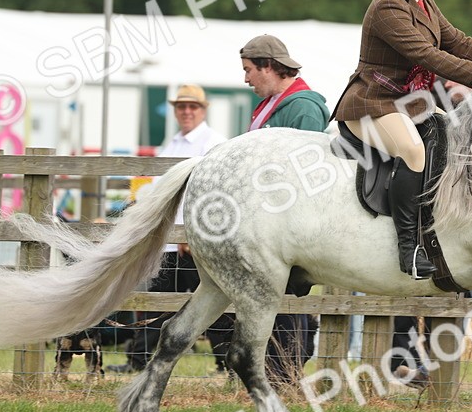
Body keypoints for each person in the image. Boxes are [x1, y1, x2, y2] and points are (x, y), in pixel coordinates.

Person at [333, 0, 472, 279]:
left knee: (449, 135)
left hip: (407, 102)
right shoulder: (387, 6)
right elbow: (426, 55)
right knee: (413, 150)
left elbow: (453, 38)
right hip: (373, 103)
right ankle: (409, 249)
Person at [111, 85, 229, 373]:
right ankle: (138, 359)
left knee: (213, 303)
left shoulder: (214, 143)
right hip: (170, 239)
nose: (187, 111)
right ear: (176, 111)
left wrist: (191, 230)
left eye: (192, 106)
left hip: (195, 239)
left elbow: (213, 192)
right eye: (182, 106)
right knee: (161, 301)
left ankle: (226, 363)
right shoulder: (173, 144)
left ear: (203, 110)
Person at [239, 34, 329, 382]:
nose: (246, 79)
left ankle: (284, 373)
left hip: (288, 223)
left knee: (285, 303)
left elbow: (305, 172)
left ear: (268, 67)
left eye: (249, 70)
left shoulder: (302, 108)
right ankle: (273, 372)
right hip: (268, 220)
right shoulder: (274, 104)